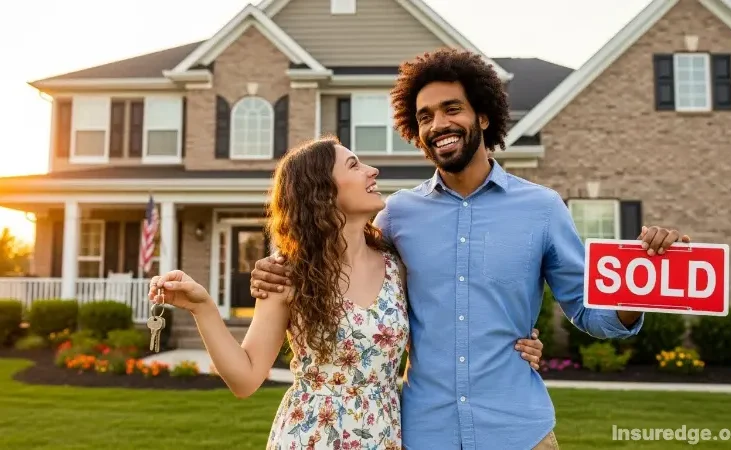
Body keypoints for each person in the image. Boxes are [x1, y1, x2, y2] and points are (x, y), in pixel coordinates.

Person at [250, 49, 691, 449]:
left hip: (520, 432)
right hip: (425, 433)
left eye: (451, 109)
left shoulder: (542, 208)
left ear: (482, 116)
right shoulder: (396, 216)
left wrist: (641, 283)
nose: (438, 124)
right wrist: (274, 268)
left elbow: (589, 313)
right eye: (424, 116)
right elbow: (332, 254)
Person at [147, 137, 544, 450]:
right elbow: (246, 378)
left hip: (385, 434)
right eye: (354, 165)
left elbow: (453, 314)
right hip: (308, 436)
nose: (373, 171)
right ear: (321, 190)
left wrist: (519, 341)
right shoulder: (289, 273)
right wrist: (203, 308)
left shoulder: (396, 263)